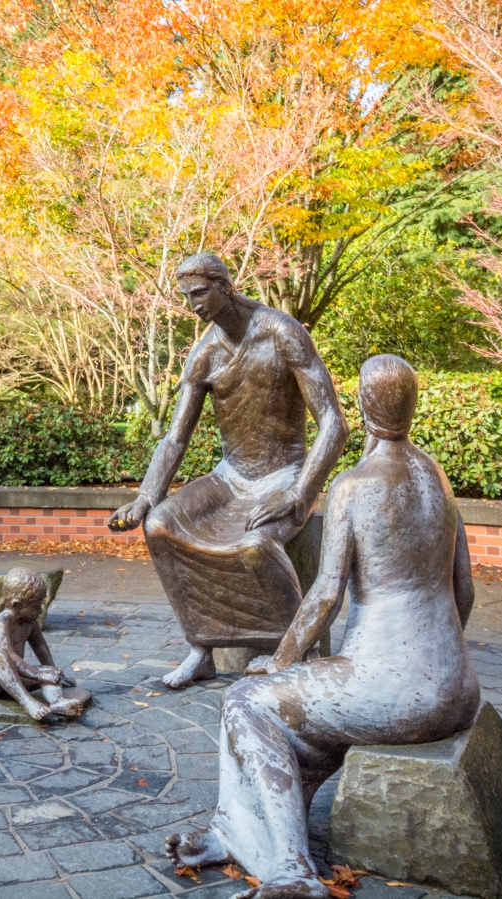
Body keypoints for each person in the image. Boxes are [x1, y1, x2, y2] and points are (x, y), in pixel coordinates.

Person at [166, 354, 481, 898]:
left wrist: (282, 660)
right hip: (456, 685)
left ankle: (292, 870)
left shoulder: (354, 487)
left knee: (247, 701)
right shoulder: (436, 478)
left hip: (395, 689)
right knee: (304, 725)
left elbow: (326, 593)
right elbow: (465, 590)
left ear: (361, 406)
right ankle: (231, 831)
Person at [108, 253, 346, 689]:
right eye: (186, 296)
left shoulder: (281, 333)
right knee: (160, 524)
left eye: (199, 293)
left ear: (224, 285)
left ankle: (298, 646)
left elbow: (334, 423)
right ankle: (201, 649)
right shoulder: (204, 354)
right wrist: (145, 496)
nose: (193, 304)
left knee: (255, 544)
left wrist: (300, 491)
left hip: (284, 475)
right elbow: (176, 438)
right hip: (231, 477)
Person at [0, 568, 87, 723]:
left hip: (14, 678)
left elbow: (40, 647)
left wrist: (56, 675)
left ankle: (56, 702)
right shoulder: (0, 624)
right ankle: (28, 702)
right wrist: (38, 674)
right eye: (36, 607)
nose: (39, 611)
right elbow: (10, 657)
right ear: (17, 604)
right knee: (0, 656)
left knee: (50, 671)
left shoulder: (30, 622)